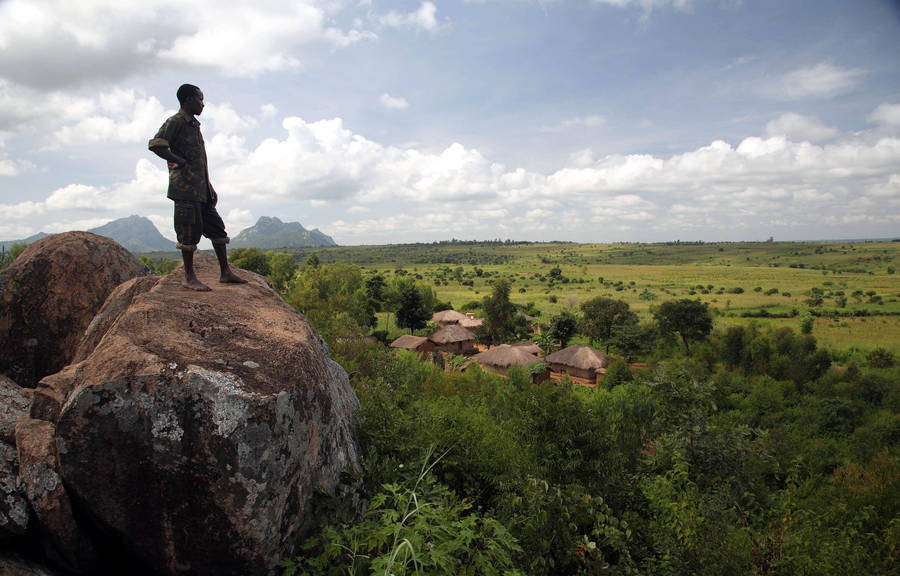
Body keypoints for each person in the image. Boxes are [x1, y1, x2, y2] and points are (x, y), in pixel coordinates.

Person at [149, 84, 246, 291]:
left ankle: (225, 272)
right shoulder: (176, 121)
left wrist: (209, 187)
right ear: (187, 100)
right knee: (188, 232)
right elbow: (157, 144)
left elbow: (200, 162)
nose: (203, 104)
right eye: (200, 99)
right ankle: (189, 277)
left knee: (217, 229)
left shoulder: (193, 125)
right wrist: (178, 161)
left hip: (201, 189)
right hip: (185, 189)